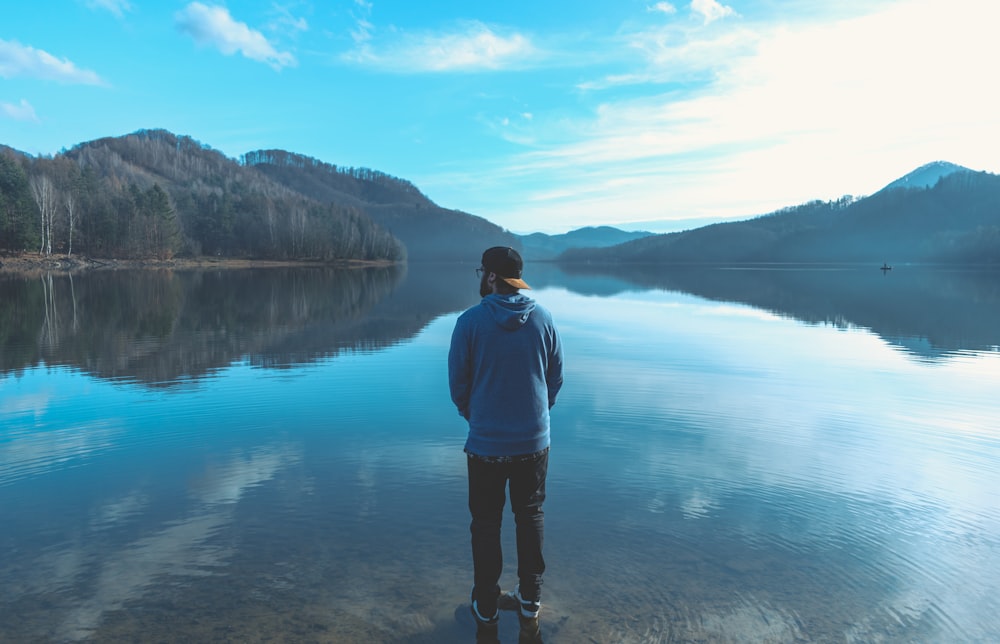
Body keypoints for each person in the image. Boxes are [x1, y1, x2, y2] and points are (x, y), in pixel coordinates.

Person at [448, 246, 564, 628]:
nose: (481, 277)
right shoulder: (544, 319)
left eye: (482, 271)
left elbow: (458, 386)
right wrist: (535, 418)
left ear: (492, 277)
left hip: (485, 446)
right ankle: (530, 600)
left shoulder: (468, 322)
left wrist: (478, 418)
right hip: (534, 443)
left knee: (485, 523)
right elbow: (555, 378)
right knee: (530, 515)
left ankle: (486, 605)